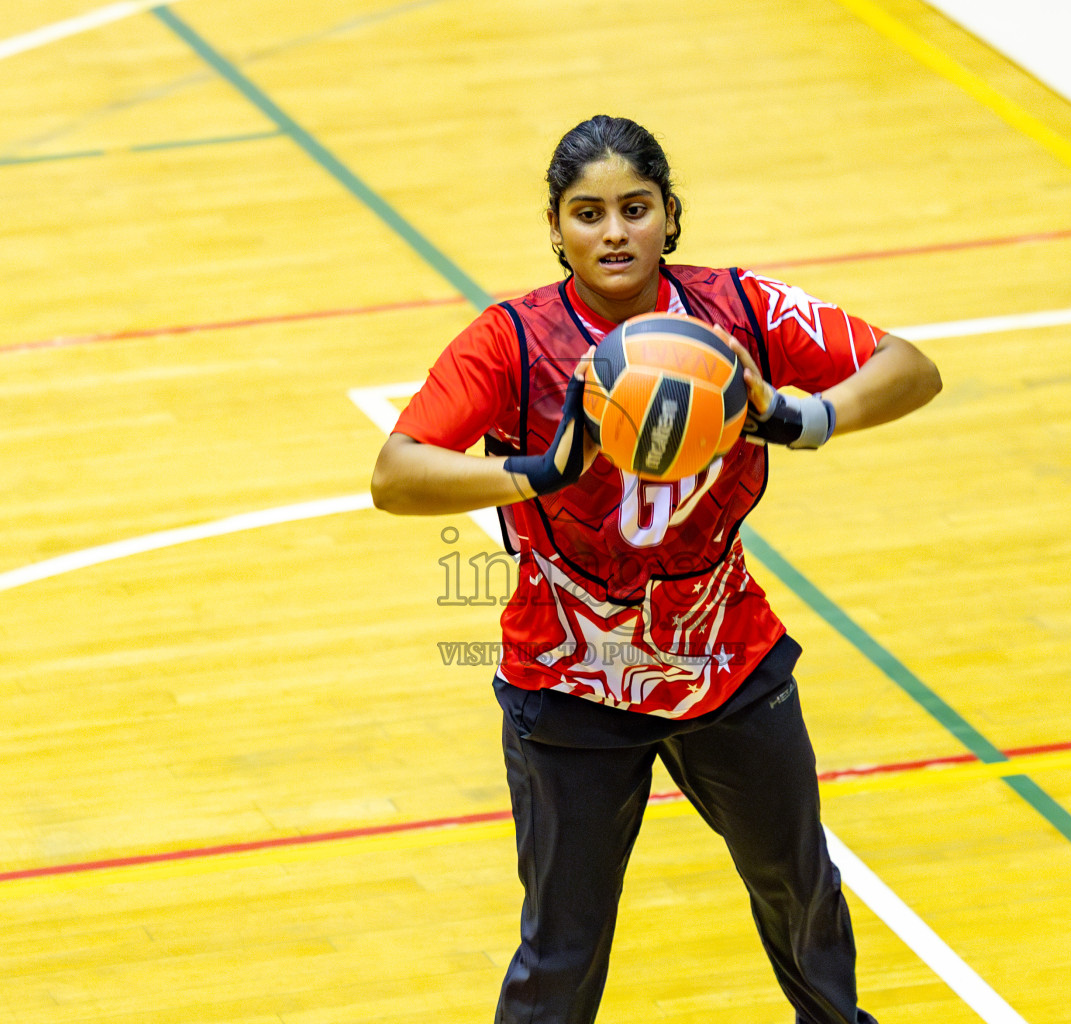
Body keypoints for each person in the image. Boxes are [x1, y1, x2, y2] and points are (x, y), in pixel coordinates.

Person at [370, 114, 941, 1024]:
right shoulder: (511, 340)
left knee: (802, 891)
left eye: (635, 209)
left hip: (726, 660)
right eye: (588, 213)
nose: (614, 232)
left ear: (671, 216)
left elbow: (909, 367)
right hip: (570, 680)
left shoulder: (736, 310)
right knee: (562, 948)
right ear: (555, 229)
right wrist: (538, 472)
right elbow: (394, 476)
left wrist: (804, 418)